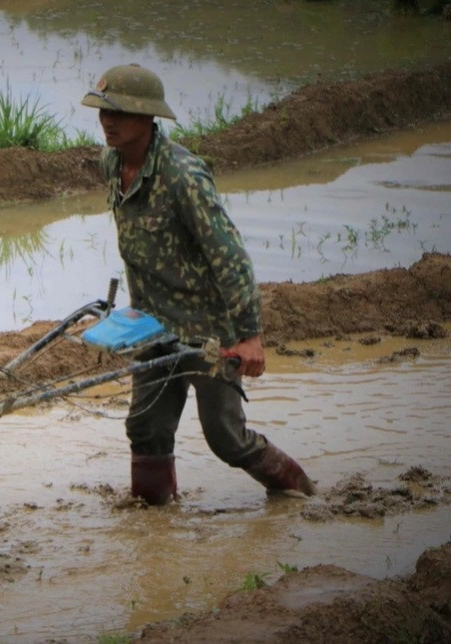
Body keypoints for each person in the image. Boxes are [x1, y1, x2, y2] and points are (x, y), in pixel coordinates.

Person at [80, 64, 316, 504]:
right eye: (102, 113)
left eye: (120, 114)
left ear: (148, 118)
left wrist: (249, 335)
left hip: (208, 331)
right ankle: (154, 524)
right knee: (145, 428)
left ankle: (305, 497)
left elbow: (230, 257)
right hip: (152, 324)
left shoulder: (184, 177)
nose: (107, 122)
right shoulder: (111, 163)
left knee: (228, 439)